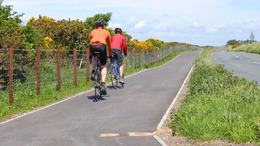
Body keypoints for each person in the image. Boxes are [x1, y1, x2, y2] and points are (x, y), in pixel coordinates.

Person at [89, 19, 113, 95]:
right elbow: (109, 45)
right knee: (103, 66)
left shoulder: (92, 31)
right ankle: (103, 84)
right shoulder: (106, 32)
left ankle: (93, 72)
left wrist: (90, 55)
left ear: (96, 26)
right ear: (103, 26)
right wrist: (110, 54)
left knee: (94, 57)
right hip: (102, 47)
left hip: (92, 47)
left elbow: (89, 43)